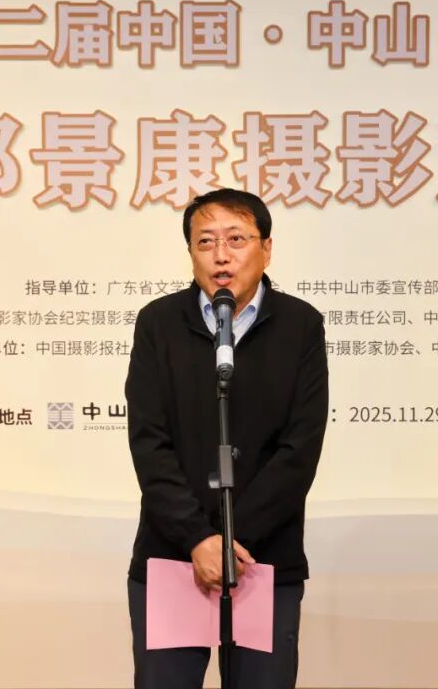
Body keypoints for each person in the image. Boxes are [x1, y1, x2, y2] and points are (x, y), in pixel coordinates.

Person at [125, 188, 329, 689]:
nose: (221, 255)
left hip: (262, 560)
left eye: (236, 239)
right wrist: (198, 538)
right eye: (205, 241)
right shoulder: (158, 323)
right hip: (174, 557)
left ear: (267, 248)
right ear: (190, 252)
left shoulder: (301, 325)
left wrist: (234, 542)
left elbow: (299, 449)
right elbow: (149, 442)